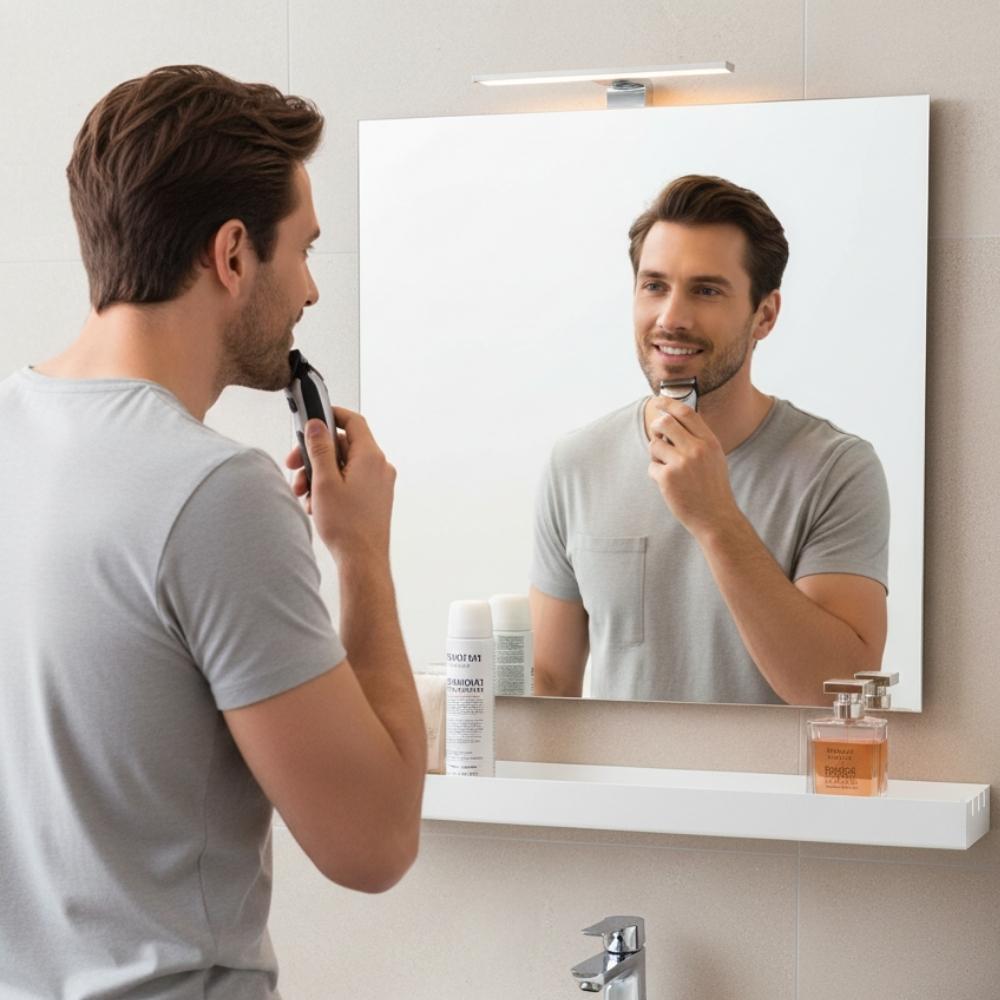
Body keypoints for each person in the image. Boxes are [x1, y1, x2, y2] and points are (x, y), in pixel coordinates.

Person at [0, 65, 426, 997]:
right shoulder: (215, 494)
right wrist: (363, 557)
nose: (311, 289)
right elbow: (374, 843)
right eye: (304, 250)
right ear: (233, 254)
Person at [530, 175, 889, 706]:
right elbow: (551, 686)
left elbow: (837, 695)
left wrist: (715, 518)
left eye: (706, 290)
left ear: (764, 314)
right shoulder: (577, 463)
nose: (671, 318)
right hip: (616, 791)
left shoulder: (836, 469)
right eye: (654, 285)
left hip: (775, 791)